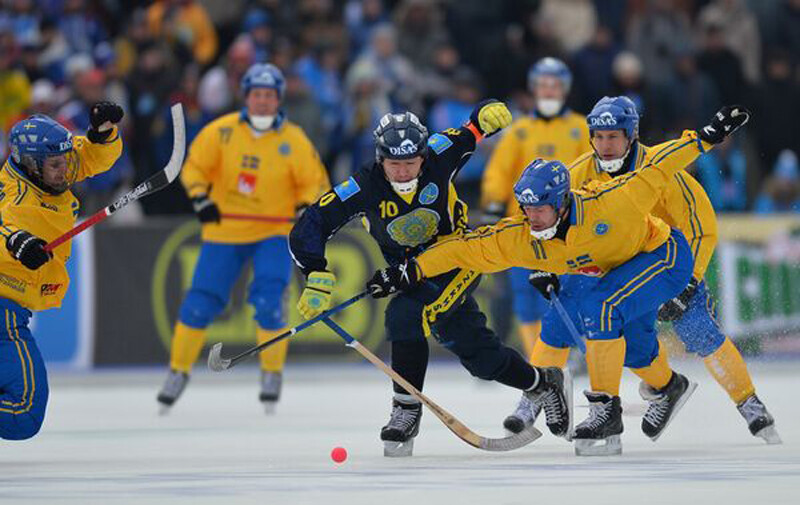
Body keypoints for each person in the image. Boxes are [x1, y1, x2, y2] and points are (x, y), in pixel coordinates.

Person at [366, 104, 751, 455]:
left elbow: (659, 165)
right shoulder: (522, 235)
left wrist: (706, 137)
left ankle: (605, 409)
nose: (532, 218)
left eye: (541, 209)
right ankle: (667, 387)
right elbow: (464, 248)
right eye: (527, 208)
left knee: (601, 309)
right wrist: (408, 270)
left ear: (563, 203)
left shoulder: (613, 199)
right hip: (612, 270)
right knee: (620, 334)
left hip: (664, 257)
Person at [289, 102, 570, 457]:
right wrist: (315, 273)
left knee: (404, 315)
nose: (404, 172)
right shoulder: (362, 186)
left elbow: (471, 130)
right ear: (380, 159)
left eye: (411, 163)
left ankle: (405, 410)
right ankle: (543, 382)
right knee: (479, 356)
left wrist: (484, 115)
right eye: (395, 164)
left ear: (423, 156)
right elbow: (311, 223)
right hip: (409, 273)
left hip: (457, 258)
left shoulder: (440, 152)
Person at [504, 96, 779, 444]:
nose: (605, 146)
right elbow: (544, 214)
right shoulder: (577, 172)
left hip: (659, 260)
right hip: (606, 263)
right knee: (563, 314)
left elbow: (700, 227)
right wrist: (542, 263)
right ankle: (537, 392)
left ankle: (748, 402)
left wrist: (689, 282)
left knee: (696, 327)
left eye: (613, 136)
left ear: (632, 135)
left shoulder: (666, 172)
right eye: (598, 136)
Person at [156, 63, 329, 414]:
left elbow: (314, 182)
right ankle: (178, 371)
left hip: (275, 232)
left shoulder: (294, 139)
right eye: (257, 94)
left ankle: (271, 373)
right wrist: (202, 200)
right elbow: (195, 168)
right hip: (225, 231)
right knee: (199, 302)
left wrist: (304, 207)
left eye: (269, 95)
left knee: (269, 301)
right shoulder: (221, 131)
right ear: (246, 96)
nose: (263, 101)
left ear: (278, 98)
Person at [0, 103, 123, 439]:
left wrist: (101, 134)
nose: (67, 170)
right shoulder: (17, 200)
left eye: (65, 160)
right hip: (3, 317)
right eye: (57, 165)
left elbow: (90, 158)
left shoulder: (46, 169)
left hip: (13, 313)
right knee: (24, 411)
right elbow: (4, 226)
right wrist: (17, 242)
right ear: (31, 164)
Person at [481, 57, 589, 357]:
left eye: (555, 86)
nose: (549, 91)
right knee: (524, 295)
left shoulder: (581, 128)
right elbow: (499, 169)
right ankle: (537, 357)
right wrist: (493, 199)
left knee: (565, 290)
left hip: (567, 225)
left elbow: (592, 169)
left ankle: (565, 351)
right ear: (534, 89)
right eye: (543, 85)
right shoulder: (520, 129)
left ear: (564, 89)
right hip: (524, 224)